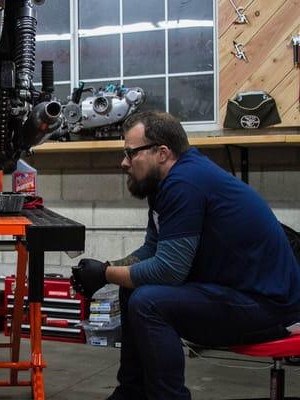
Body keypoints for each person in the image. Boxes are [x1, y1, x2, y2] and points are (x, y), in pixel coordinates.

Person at [71, 111, 300, 400]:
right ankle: (131, 393)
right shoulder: (165, 182)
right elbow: (152, 251)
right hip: (237, 293)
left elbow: (169, 271)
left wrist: (104, 275)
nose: (124, 162)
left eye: (130, 153)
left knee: (148, 302)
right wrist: (104, 268)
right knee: (133, 292)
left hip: (270, 307)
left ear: (162, 153)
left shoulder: (185, 184)